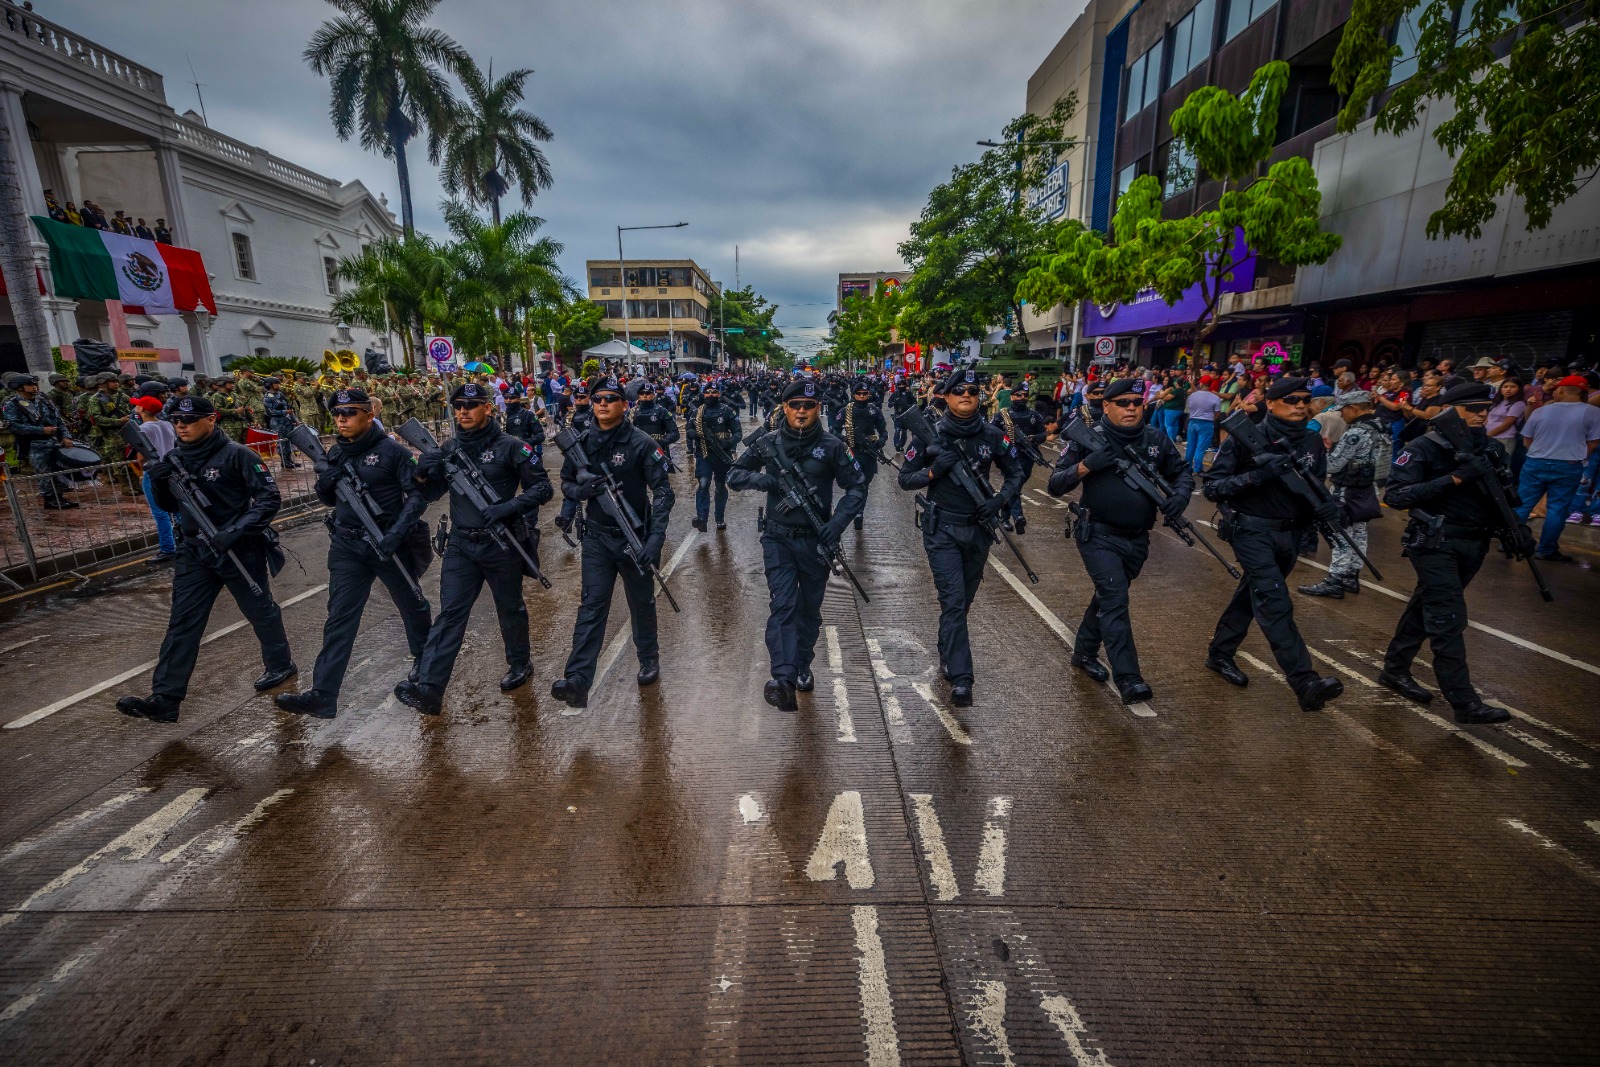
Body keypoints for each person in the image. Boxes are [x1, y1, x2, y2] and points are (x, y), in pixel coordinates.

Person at [116, 394, 296, 723]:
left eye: (189, 420)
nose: (181, 426)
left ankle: (280, 664)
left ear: (211, 419)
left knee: (259, 610)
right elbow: (170, 506)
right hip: (194, 550)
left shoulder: (238, 454)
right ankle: (165, 697)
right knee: (183, 621)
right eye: (176, 421)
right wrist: (158, 482)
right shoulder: (173, 458)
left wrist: (236, 531)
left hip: (237, 548)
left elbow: (269, 498)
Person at [393, 381, 552, 715]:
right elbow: (431, 492)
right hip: (462, 544)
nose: (463, 412)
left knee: (509, 608)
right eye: (458, 406)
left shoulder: (513, 447)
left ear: (487, 408)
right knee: (451, 613)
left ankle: (520, 663)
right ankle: (430, 688)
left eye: (471, 405)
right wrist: (421, 474)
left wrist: (507, 508)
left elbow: (542, 489)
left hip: (502, 543)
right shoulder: (449, 448)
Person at [277, 389, 433, 719]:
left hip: (387, 541)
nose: (341, 419)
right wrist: (326, 481)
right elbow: (329, 499)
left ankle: (426, 665)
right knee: (340, 617)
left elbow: (417, 498)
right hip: (348, 546)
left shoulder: (393, 451)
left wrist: (395, 535)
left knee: (412, 604)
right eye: (337, 414)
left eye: (349, 413)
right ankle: (323, 694)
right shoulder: (335, 453)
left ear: (369, 415)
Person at [1378, 382, 1521, 724]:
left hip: (1474, 542)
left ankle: (1395, 669)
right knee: (1448, 616)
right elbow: (1395, 496)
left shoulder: (1491, 448)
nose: (1482, 414)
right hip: (1435, 541)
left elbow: (1501, 496)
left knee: (1426, 605)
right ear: (1449, 410)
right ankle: (1463, 701)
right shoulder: (1424, 447)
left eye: (1486, 408)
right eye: (1474, 409)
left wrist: (1518, 530)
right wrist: (1454, 479)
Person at [1202, 377, 1346, 712]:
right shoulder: (1244, 436)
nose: (1300, 405)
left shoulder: (1312, 440)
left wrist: (1326, 508)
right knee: (1274, 601)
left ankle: (1220, 653)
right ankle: (1304, 681)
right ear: (1270, 402)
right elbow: (1212, 486)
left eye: (1305, 400)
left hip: (1289, 535)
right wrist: (1257, 476)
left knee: (1252, 595)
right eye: (1292, 399)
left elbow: (1314, 486)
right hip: (1251, 532)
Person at [1047, 378, 1192, 704]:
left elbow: (1182, 472)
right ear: (1107, 406)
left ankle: (1084, 653)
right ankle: (1129, 679)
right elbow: (1055, 485)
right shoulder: (1087, 438)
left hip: (1137, 539)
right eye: (1123, 403)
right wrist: (1085, 466)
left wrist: (1180, 497)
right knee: (1115, 599)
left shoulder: (1156, 438)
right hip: (1097, 535)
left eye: (1137, 403)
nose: (1131, 408)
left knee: (1107, 598)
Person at [728, 378, 868, 710]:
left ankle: (802, 663)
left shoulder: (833, 446)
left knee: (808, 612)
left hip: (816, 542)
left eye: (808, 406)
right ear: (785, 408)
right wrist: (762, 479)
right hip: (778, 539)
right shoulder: (767, 442)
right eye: (795, 405)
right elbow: (734, 475)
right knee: (784, 605)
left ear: (818, 408)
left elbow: (857, 487)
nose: (801, 411)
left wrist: (836, 525)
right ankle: (783, 679)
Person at [896, 366, 1023, 707]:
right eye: (959, 391)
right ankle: (962, 678)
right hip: (943, 531)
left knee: (962, 602)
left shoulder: (993, 435)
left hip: (979, 529)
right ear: (947, 397)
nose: (966, 396)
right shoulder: (930, 435)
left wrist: (1000, 500)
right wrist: (933, 471)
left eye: (973, 391)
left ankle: (947, 648)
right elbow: (905, 479)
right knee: (952, 600)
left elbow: (1015, 473)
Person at [550, 375, 675, 709]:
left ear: (624, 404)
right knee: (592, 607)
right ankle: (577, 680)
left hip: (636, 538)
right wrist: (581, 490)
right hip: (597, 539)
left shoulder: (641, 443)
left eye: (610, 398)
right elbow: (566, 483)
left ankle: (648, 658)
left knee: (642, 604)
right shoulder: (580, 443)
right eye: (597, 399)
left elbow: (663, 492)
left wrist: (656, 539)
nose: (602, 404)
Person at [1298, 391, 1389, 599]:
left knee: (1339, 534)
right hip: (1368, 489)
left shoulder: (1355, 432)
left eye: (1343, 411)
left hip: (1347, 489)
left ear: (1353, 408)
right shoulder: (1381, 427)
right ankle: (1351, 576)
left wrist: (1324, 453)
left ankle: (1335, 579)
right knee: (1359, 533)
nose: (1342, 415)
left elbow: (1334, 465)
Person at [1514, 374, 1600, 562]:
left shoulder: (1541, 411)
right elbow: (1593, 443)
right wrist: (1577, 457)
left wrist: (1540, 452)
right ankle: (1546, 550)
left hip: (1535, 462)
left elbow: (1527, 440)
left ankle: (1512, 543)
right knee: (1557, 509)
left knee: (1523, 504)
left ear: (1560, 390)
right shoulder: (1593, 412)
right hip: (1568, 465)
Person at [1, 374, 78, 509]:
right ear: (19, 388)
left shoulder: (44, 400)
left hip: (54, 441)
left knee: (58, 470)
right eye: (30, 385)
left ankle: (59, 497)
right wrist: (41, 430)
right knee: (44, 472)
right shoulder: (12, 405)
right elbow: (13, 426)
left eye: (35, 384)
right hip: (35, 444)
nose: (34, 387)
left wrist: (66, 437)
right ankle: (49, 499)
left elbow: (58, 420)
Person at [686, 380, 741, 532]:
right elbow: (689, 430)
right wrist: (694, 433)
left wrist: (727, 442)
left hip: (722, 454)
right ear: (703, 394)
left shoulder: (727, 411)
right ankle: (702, 518)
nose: (710, 395)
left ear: (719, 394)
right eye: (707, 392)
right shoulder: (697, 412)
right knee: (703, 484)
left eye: (714, 392)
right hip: (703, 453)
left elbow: (738, 433)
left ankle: (719, 518)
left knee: (720, 486)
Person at [993, 381, 1047, 534]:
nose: (1022, 398)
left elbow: (1043, 434)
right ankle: (1017, 516)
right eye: (1018, 395)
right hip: (1008, 457)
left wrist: (1034, 438)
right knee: (1014, 482)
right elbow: (992, 434)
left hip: (1027, 456)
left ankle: (1003, 516)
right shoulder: (1003, 415)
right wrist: (1005, 443)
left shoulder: (1033, 415)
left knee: (1015, 486)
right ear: (1012, 397)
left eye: (1025, 395)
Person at [130, 396, 179, 560]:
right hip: (170, 470)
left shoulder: (143, 429)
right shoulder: (167, 424)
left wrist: (141, 472)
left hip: (153, 473)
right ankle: (186, 542)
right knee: (177, 509)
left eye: (138, 405)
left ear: (142, 409)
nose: (136, 408)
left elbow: (141, 457)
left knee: (160, 513)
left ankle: (168, 548)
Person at [839, 379, 887, 529]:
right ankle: (854, 511)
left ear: (868, 394)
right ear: (853, 394)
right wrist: (844, 439)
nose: (861, 396)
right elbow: (834, 430)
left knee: (864, 484)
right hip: (851, 453)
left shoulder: (874, 410)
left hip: (868, 454)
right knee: (853, 484)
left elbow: (883, 431)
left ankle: (860, 512)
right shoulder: (846, 410)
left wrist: (880, 442)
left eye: (864, 393)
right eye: (858, 393)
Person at [629, 380, 680, 470]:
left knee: (658, 475)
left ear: (653, 395)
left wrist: (662, 441)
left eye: (648, 393)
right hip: (638, 450)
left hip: (657, 450)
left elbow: (675, 433)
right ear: (638, 396)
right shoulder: (632, 412)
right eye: (642, 393)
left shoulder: (662, 411)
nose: (645, 395)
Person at [1184, 375, 1222, 473]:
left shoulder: (1193, 395)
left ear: (1201, 384)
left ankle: (1187, 467)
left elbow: (1189, 408)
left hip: (1192, 421)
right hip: (1206, 423)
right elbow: (1217, 413)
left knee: (1190, 446)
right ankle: (1197, 469)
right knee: (1200, 448)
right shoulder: (1215, 398)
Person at [261, 377, 300, 470]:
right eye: (276, 383)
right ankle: (284, 461)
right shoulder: (267, 397)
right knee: (281, 442)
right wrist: (284, 412)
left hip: (287, 420)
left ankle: (289, 460)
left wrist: (295, 419)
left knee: (288, 441)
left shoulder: (280, 394)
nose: (278, 385)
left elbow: (288, 407)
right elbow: (270, 412)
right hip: (277, 421)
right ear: (270, 385)